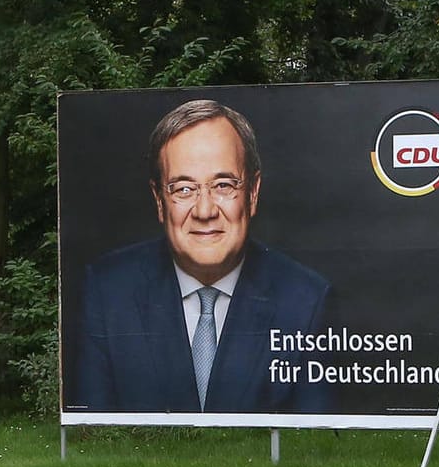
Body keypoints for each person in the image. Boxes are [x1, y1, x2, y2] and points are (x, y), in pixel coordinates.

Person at [70, 99, 332, 413]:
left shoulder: (305, 299)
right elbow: (92, 438)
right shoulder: (108, 291)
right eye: (183, 189)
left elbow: (313, 443)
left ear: (252, 193)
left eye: (223, 185)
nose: (205, 211)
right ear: (159, 200)